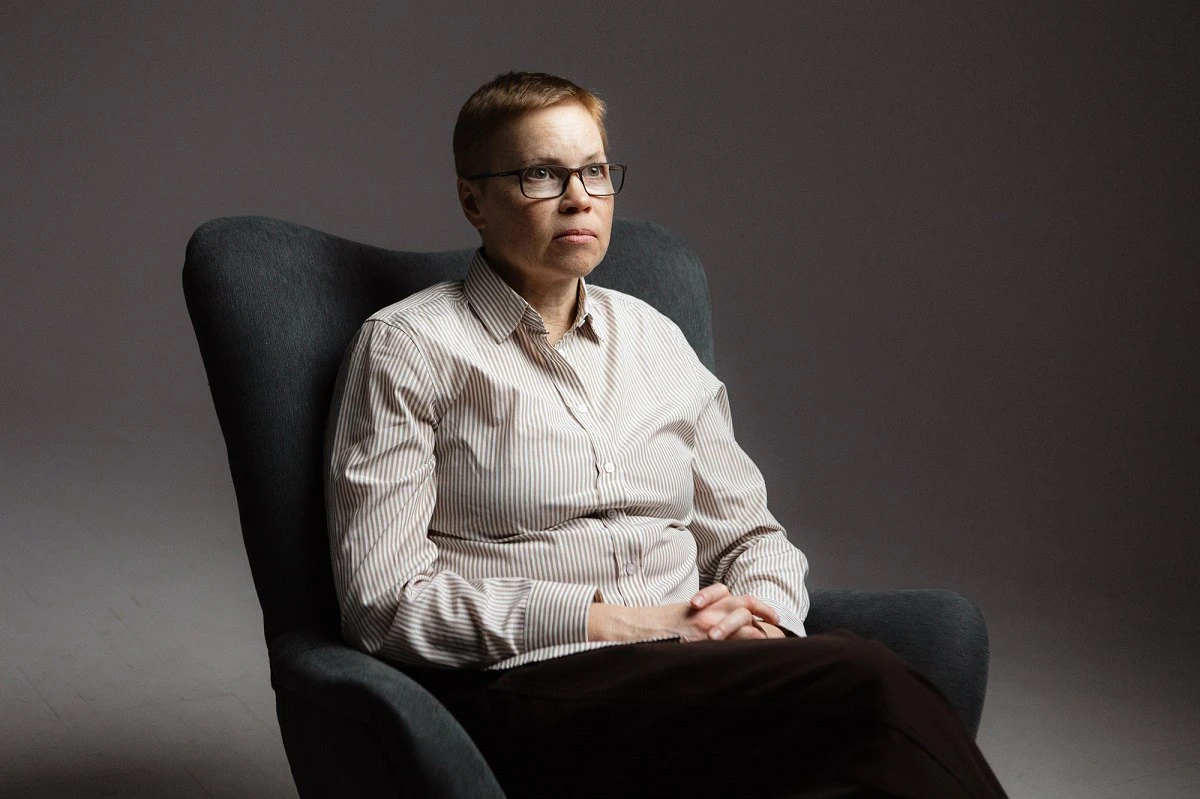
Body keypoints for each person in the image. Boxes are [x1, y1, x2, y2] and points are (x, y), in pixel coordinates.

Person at [325, 71, 1006, 798]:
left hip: (695, 677)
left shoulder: (656, 339)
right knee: (870, 685)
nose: (579, 197)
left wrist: (764, 627)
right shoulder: (409, 347)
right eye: (541, 175)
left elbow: (750, 536)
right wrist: (624, 622)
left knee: (872, 742)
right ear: (473, 200)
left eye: (594, 171)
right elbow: (385, 604)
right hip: (531, 686)